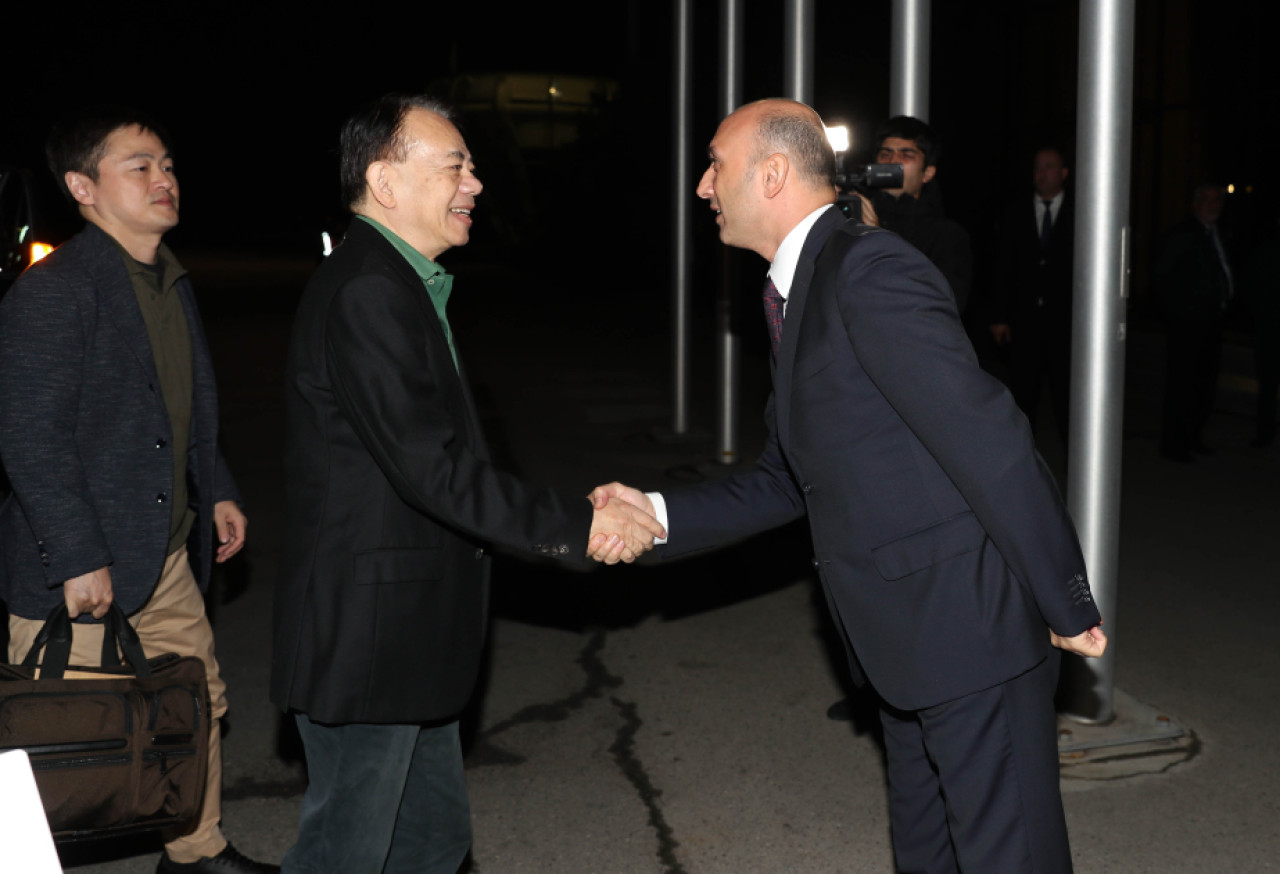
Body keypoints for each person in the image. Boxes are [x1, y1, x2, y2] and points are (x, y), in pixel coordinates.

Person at [590, 99, 1106, 873]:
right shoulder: (795, 290)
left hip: (968, 634)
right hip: (898, 643)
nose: (702, 186)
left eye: (715, 165)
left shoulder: (869, 270)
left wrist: (1064, 600)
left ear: (772, 174)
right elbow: (789, 475)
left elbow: (992, 440)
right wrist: (656, 514)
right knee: (926, 853)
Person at [271, 94, 663, 874]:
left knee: (432, 846)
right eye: (456, 166)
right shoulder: (368, 291)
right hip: (372, 638)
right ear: (385, 181)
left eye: (473, 167)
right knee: (348, 854)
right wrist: (575, 524)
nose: (476, 184)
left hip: (409, 634)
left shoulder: (399, 281)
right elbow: (433, 471)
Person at [0, 107, 275, 873]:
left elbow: (183, 406)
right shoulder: (55, 291)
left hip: (164, 549)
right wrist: (77, 554)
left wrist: (216, 488)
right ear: (82, 187)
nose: (164, 179)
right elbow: (29, 437)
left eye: (168, 165)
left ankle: (195, 853)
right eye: (140, 166)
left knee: (197, 700)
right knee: (55, 729)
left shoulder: (167, 280)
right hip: (80, 564)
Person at [988, 147, 1075, 445]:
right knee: (1023, 398)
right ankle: (1023, 459)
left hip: (1066, 324)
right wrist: (999, 316)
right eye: (1038, 167)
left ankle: (1077, 461)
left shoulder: (1082, 212)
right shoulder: (1016, 211)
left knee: (1069, 399)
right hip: (1024, 322)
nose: (1042, 173)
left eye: (1049, 167)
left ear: (1064, 173)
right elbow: (1003, 265)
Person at [853, 115, 972, 312]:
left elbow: (944, 305)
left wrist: (876, 239)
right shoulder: (853, 214)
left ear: (928, 173)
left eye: (907, 155)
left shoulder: (947, 236)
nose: (893, 161)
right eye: (885, 154)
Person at [1156, 184, 1233, 462]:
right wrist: (1179, 314)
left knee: (1204, 385)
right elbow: (1163, 277)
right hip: (1187, 325)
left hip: (1212, 323)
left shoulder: (1218, 233)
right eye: (1207, 200)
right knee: (1181, 385)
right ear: (1195, 204)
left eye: (1217, 200)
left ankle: (1193, 437)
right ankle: (1173, 444)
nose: (1213, 205)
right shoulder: (1183, 234)